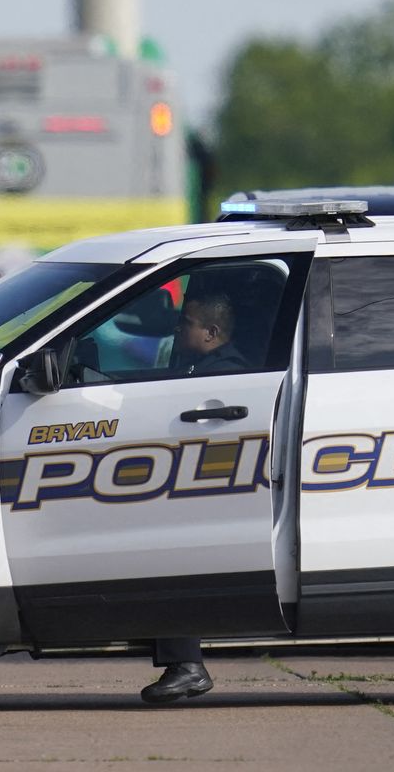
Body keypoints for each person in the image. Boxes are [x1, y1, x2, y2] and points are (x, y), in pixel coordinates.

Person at [138, 293, 254, 705]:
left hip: (212, 496)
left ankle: (187, 665)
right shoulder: (200, 367)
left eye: (185, 322)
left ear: (211, 333)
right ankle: (184, 664)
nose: (178, 328)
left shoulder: (222, 375)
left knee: (169, 557)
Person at [177, 294, 250, 376]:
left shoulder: (226, 373)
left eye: (187, 323)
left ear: (211, 333)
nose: (178, 328)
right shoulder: (200, 362)